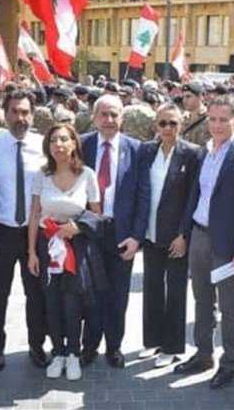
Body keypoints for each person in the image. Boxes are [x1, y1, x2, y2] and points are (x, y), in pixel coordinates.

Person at [173, 96, 234, 390]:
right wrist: (184, 233)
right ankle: (203, 354)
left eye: (224, 119)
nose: (217, 125)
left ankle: (230, 362)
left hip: (228, 243)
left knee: (230, 304)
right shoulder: (204, 151)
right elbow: (195, 196)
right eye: (212, 119)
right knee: (201, 298)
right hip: (200, 234)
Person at [27, 123, 103, 381]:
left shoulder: (87, 175)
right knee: (51, 300)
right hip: (47, 244)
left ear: (74, 144)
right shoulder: (42, 175)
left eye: (63, 139)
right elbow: (35, 213)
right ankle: (58, 352)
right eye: (53, 140)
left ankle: (73, 353)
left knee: (72, 301)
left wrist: (77, 228)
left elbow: (96, 214)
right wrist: (31, 252)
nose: (58, 145)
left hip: (75, 245)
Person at [0, 90, 49, 372]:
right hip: (2, 232)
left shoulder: (45, 146)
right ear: (4, 113)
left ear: (33, 114)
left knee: (37, 294)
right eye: (14, 112)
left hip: (35, 233)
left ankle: (36, 345)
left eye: (25, 112)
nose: (20, 118)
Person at [80, 94, 149, 368]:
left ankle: (114, 346)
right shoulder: (81, 145)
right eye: (104, 114)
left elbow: (144, 196)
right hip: (88, 232)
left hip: (122, 235)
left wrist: (137, 237)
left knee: (118, 294)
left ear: (122, 117)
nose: (109, 120)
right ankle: (89, 346)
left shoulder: (137, 149)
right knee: (90, 293)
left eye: (114, 114)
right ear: (94, 117)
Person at [138, 103, 201, 368]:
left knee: (175, 291)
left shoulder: (192, 154)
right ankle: (153, 340)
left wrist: (183, 234)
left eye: (172, 123)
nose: (167, 128)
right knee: (152, 287)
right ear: (155, 125)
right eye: (162, 123)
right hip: (150, 232)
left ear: (181, 125)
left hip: (176, 236)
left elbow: (193, 198)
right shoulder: (146, 151)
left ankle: (172, 346)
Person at [180, 82, 210, 147]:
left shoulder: (210, 118)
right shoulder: (183, 118)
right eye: (183, 97)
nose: (184, 100)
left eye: (188, 96)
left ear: (200, 97)